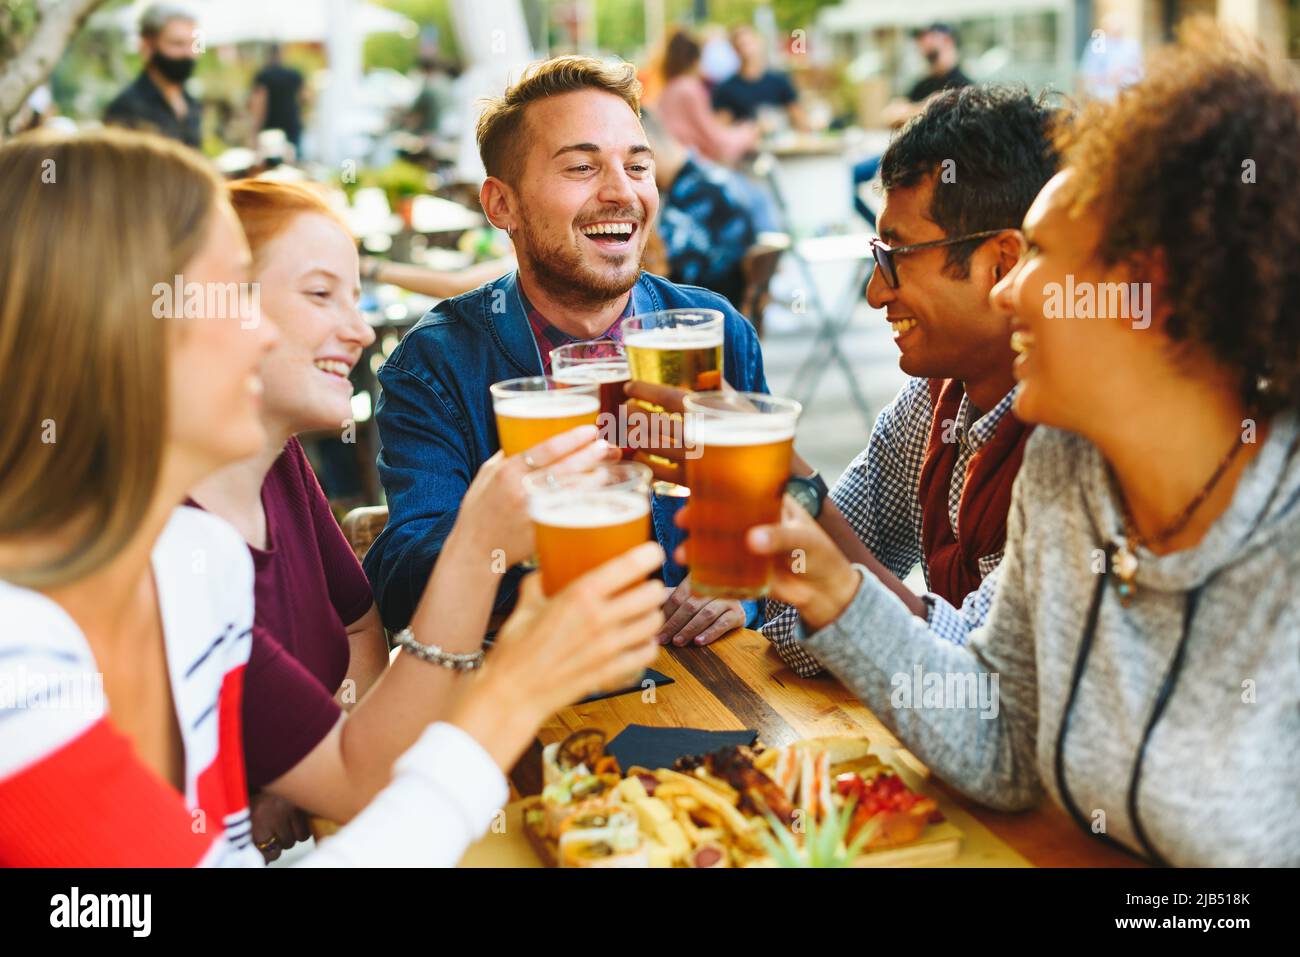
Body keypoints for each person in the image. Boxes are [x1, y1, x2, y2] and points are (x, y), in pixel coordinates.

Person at [0, 127, 667, 866]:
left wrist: (486, 558)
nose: (261, 338)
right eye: (231, 297)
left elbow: (346, 775)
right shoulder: (17, 661)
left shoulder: (194, 563)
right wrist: (510, 688)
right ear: (106, 326)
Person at [733, 22, 1300, 867]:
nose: (1012, 293)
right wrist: (833, 593)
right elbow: (999, 732)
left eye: (1039, 256)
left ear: (1148, 295)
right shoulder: (1070, 474)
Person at [364, 56, 770, 649]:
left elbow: (777, 520)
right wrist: (516, 536)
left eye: (638, 166)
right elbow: (400, 582)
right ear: (500, 205)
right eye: (582, 167)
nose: (622, 192)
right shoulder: (434, 364)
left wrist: (743, 588)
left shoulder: (717, 333)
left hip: (711, 691)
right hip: (535, 700)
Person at [762, 86, 1060, 677]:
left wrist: (795, 489)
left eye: (895, 256)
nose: (875, 292)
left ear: (1003, 264)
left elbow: (981, 682)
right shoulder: (935, 403)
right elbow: (784, 616)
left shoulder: (1077, 439)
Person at [853, 23, 972, 227]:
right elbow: (890, 115)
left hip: (944, 158)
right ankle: (883, 229)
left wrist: (914, 110)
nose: (922, 44)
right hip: (907, 153)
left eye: (929, 37)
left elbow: (948, 109)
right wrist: (925, 107)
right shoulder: (922, 84)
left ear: (947, 40)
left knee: (947, 184)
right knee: (850, 176)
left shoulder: (963, 82)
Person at [640, 109, 757, 309]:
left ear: (650, 149)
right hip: (726, 305)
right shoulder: (710, 176)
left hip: (706, 314)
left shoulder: (693, 194)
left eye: (634, 165)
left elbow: (665, 275)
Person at [104, 3, 202, 148]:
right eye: (177, 44)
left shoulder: (192, 105)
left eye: (193, 45)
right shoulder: (126, 108)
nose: (189, 54)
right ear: (147, 47)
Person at [656, 30, 759, 167]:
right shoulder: (689, 88)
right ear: (695, 60)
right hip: (693, 167)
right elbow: (716, 142)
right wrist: (748, 133)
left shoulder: (670, 89)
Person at [712, 25, 804, 131]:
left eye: (748, 43)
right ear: (734, 49)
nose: (745, 49)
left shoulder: (779, 81)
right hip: (746, 144)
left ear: (758, 42)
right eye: (740, 45)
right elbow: (722, 126)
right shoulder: (726, 88)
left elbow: (798, 116)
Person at [250, 44, 305, 157]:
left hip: (270, 129)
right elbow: (304, 98)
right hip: (291, 126)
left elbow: (259, 104)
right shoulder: (294, 74)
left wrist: (255, 129)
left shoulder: (264, 75)